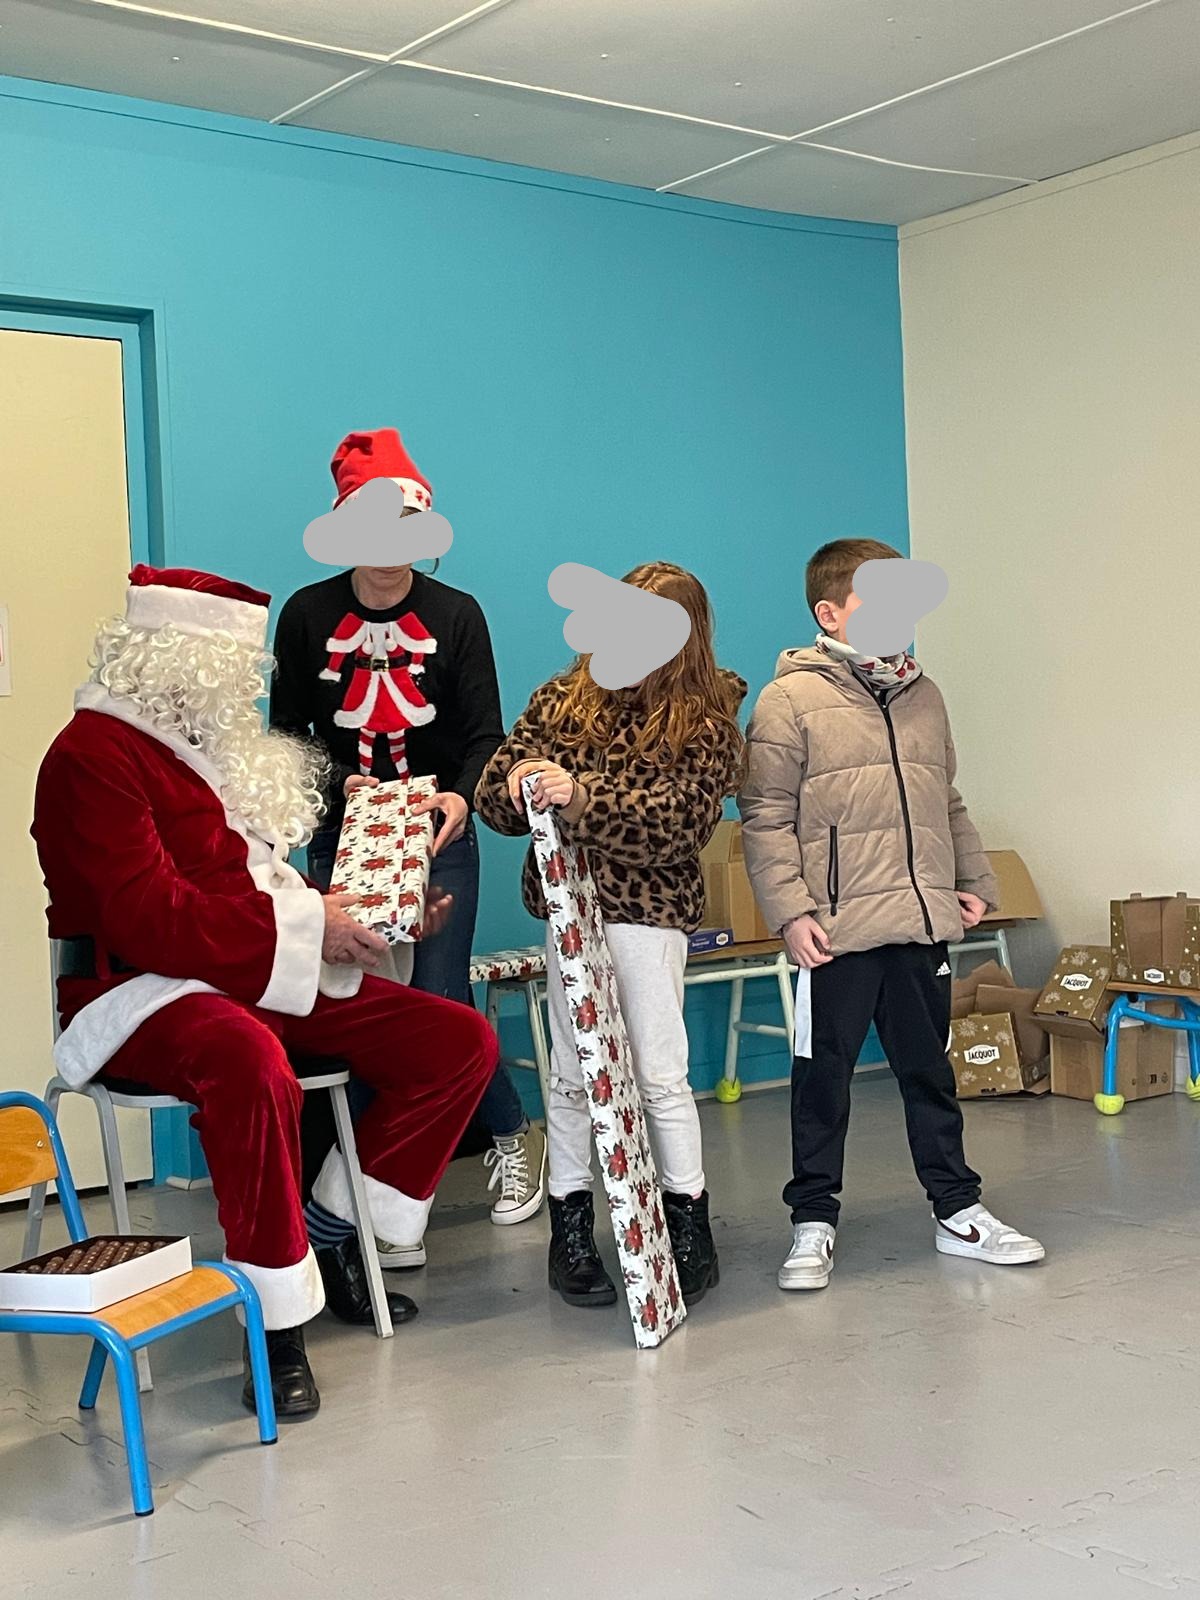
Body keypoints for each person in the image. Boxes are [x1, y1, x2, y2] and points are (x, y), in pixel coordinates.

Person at [32, 566, 497, 1417]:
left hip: (253, 965)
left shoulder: (208, 750)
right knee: (250, 1063)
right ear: (178, 659)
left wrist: (360, 913)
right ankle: (275, 1326)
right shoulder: (90, 757)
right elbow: (150, 919)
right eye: (235, 671)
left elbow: (257, 883)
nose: (245, 691)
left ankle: (330, 1232)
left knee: (456, 1043)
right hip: (139, 989)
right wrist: (313, 926)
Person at [738, 538, 1045, 1291]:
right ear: (830, 613)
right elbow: (765, 815)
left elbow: (946, 800)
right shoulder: (787, 701)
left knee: (929, 1073)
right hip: (834, 931)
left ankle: (958, 1210)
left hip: (918, 923)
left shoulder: (924, 694)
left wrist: (971, 881)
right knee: (822, 1081)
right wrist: (791, 912)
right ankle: (813, 1220)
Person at [270, 428, 545, 1251]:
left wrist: (461, 796)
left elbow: (485, 732)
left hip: (434, 829)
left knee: (439, 1000)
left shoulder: (456, 614)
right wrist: (337, 787)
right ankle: (372, 1197)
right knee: (362, 1012)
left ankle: (508, 1136)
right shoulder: (308, 614)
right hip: (346, 836)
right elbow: (286, 735)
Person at [475, 562, 745, 1310]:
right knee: (571, 1075)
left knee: (659, 1074)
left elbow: (680, 824)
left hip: (649, 920)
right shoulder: (561, 700)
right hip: (569, 912)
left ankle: (687, 1224)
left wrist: (582, 797)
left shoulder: (708, 723)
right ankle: (569, 1228)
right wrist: (521, 782)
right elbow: (493, 797)